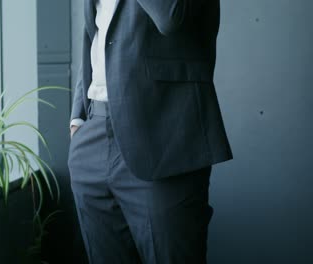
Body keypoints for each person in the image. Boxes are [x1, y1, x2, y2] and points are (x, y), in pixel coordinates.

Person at [67, 0, 233, 263]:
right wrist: (78, 117)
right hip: (93, 137)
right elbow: (97, 34)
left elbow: (170, 16)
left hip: (165, 137)